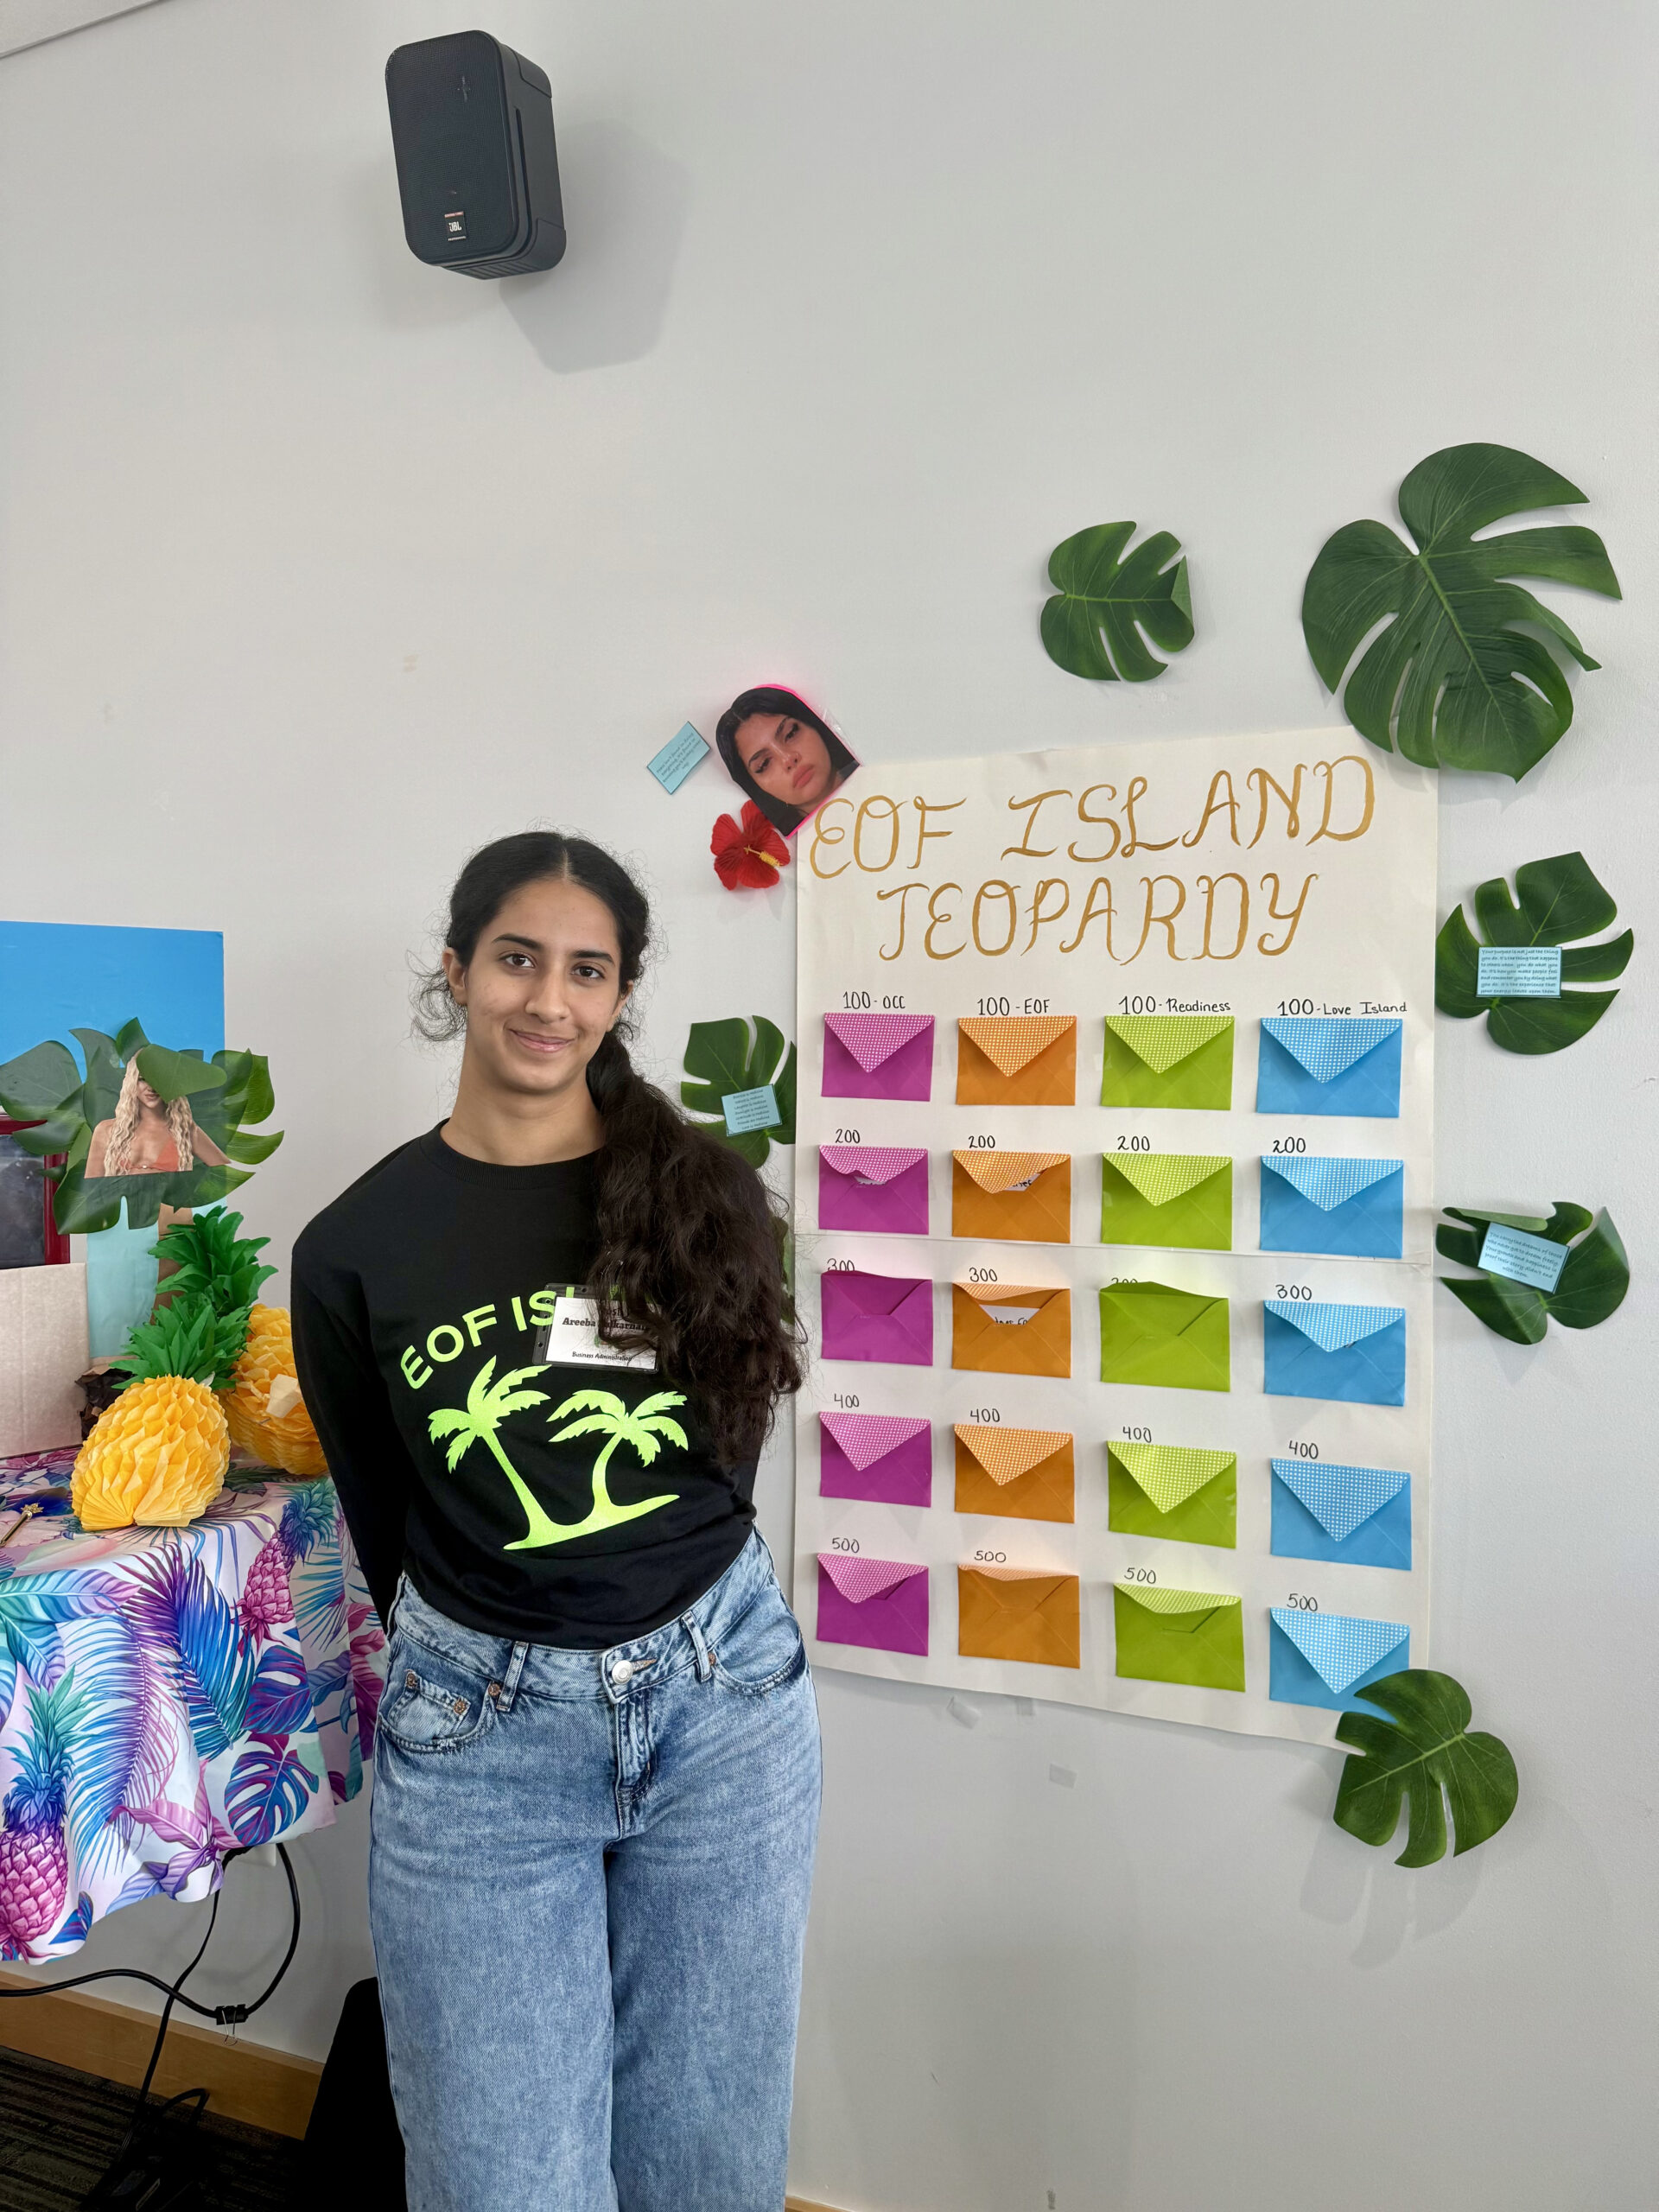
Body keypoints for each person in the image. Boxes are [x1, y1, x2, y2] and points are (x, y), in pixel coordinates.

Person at [290, 831, 818, 2212]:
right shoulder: (357, 1243)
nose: (550, 1000)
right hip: (481, 1736)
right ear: (458, 969)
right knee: (499, 2179)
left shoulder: (702, 1196)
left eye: (589, 971)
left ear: (620, 993)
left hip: (725, 1704)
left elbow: (728, 1451)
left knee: (710, 2156)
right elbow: (383, 1507)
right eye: (519, 959)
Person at [715, 683, 858, 835]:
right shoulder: (795, 855)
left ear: (813, 724)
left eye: (791, 733)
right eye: (764, 764)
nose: (788, 759)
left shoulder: (874, 761)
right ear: (754, 786)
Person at [86, 1058, 228, 1177]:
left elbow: (226, 1173)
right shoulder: (106, 1130)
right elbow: (90, 1187)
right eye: (142, 1079)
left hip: (171, 1211)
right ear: (131, 1082)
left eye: (158, 1079)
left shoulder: (184, 1130)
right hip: (124, 1210)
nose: (151, 1087)